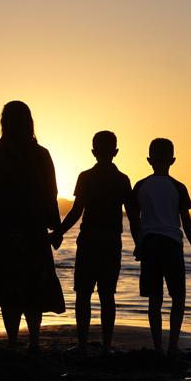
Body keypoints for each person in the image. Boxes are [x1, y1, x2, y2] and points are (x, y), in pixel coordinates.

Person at [0, 101, 66, 353]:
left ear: (3, 123)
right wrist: (55, 226)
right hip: (33, 228)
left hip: (1, 229)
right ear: (29, 123)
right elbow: (50, 192)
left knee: (8, 287)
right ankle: (32, 341)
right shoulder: (41, 154)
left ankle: (12, 342)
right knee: (33, 287)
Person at [52, 131, 140, 356]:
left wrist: (58, 232)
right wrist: (140, 242)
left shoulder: (86, 177)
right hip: (111, 242)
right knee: (106, 295)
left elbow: (76, 211)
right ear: (116, 152)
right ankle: (106, 346)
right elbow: (132, 215)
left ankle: (82, 344)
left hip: (90, 240)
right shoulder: (122, 179)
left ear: (93, 151)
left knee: (84, 293)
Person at [133, 138, 191, 357]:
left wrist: (139, 243)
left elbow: (134, 220)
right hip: (172, 246)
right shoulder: (178, 187)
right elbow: (187, 222)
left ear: (148, 160)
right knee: (178, 297)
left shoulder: (141, 186)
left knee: (155, 299)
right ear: (173, 160)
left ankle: (157, 347)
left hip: (150, 244)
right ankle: (172, 346)